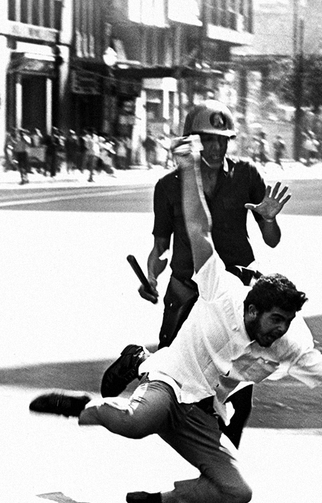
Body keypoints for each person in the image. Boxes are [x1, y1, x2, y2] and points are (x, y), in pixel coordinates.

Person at [29, 134, 322, 503]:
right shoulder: (222, 292)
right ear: (252, 311)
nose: (280, 331)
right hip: (170, 384)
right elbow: (197, 229)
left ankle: (163, 501)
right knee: (138, 422)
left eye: (287, 322)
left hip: (204, 409)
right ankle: (83, 405)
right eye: (276, 320)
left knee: (238, 491)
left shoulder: (290, 341)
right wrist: (187, 167)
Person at [99, 99, 289, 450]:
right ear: (191, 141)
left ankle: (225, 465)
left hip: (237, 293)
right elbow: (160, 247)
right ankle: (138, 360)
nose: (216, 148)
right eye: (207, 139)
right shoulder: (170, 186)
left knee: (240, 390)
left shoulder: (247, 175)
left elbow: (272, 240)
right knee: (170, 375)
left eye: (223, 140)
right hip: (188, 288)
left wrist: (270, 218)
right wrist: (152, 277)